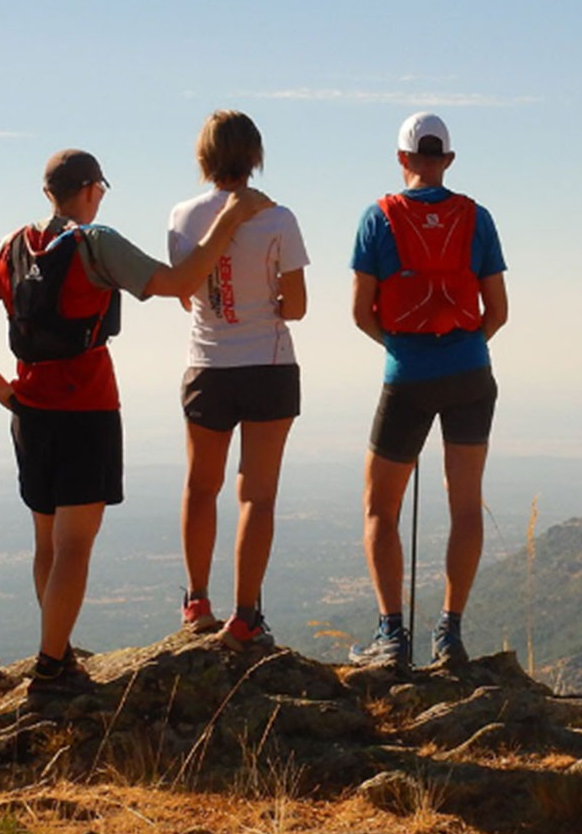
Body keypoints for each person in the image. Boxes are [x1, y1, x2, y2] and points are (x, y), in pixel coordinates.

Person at [0, 150, 270, 695]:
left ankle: (56, 651)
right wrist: (231, 216)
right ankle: (51, 668)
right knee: (75, 545)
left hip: (30, 411)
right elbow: (180, 278)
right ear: (92, 190)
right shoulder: (94, 244)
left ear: (49, 193)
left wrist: (2, 390)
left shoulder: (6, 250)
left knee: (46, 540)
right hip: (86, 407)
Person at [347, 112, 508, 669]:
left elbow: (360, 313)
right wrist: (462, 348)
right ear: (448, 160)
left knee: (379, 506)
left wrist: (404, 349)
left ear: (402, 159)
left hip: (407, 378)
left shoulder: (378, 219)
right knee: (465, 506)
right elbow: (499, 312)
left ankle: (392, 635)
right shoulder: (476, 218)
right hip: (471, 374)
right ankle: (450, 632)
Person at [168, 111, 307, 651]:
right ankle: (245, 615)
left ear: (204, 157)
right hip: (268, 364)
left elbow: (185, 292)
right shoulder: (279, 220)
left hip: (207, 363)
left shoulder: (182, 215)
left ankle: (197, 602)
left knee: (202, 485)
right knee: (258, 495)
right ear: (255, 156)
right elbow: (295, 306)